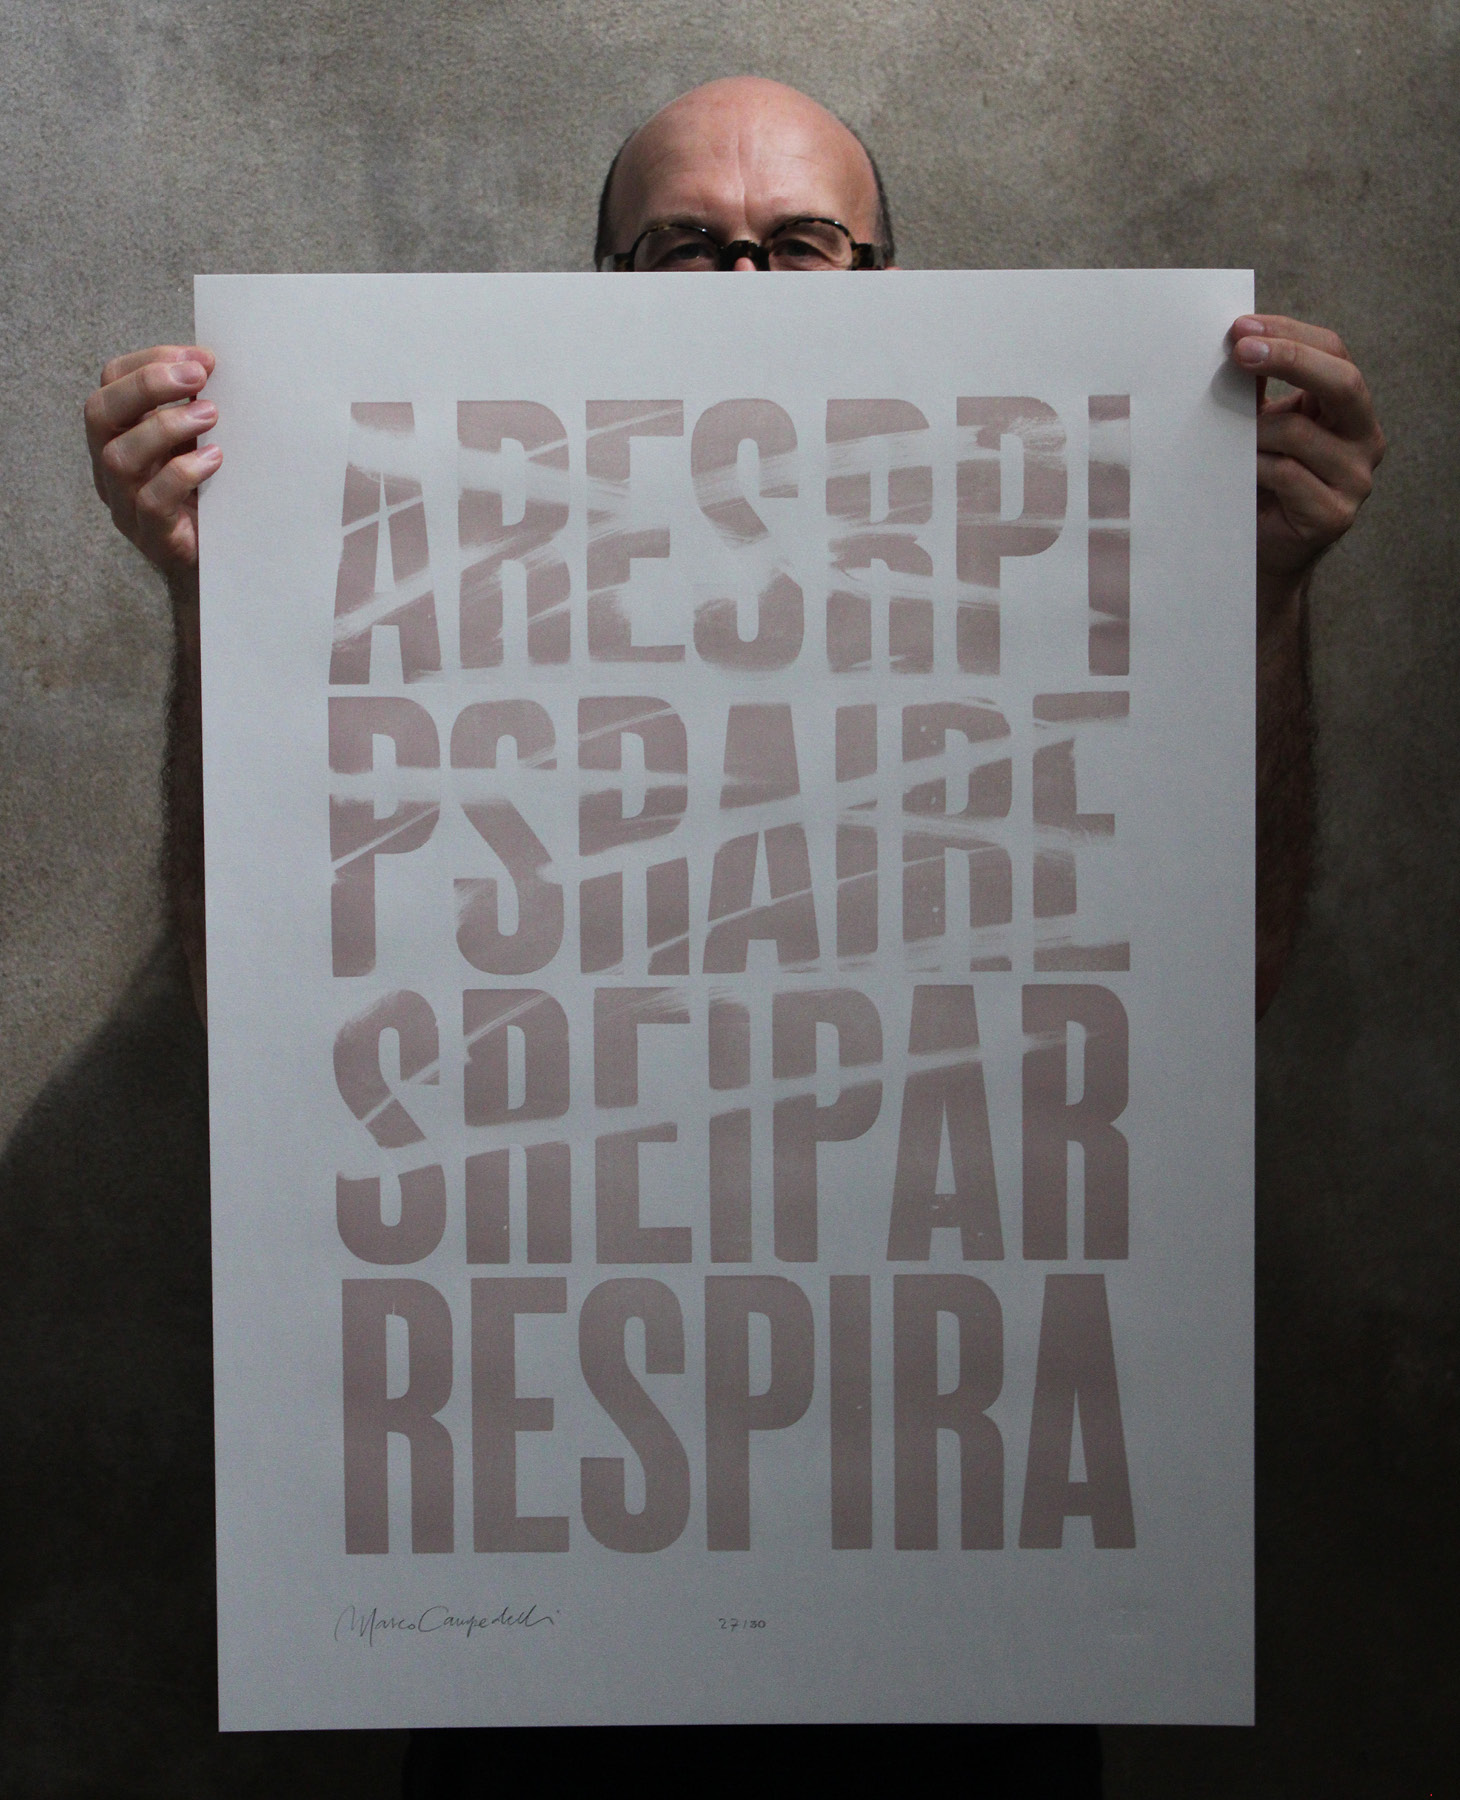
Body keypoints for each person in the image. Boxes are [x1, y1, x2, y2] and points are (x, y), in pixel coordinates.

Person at [80, 75, 1385, 1798]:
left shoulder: (1042, 595)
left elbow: (1216, 1000)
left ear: (887, 280)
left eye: (805, 244)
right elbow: (273, 1029)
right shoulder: (458, 598)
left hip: (953, 1617)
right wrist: (226, 600)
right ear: (604, 290)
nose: (748, 290)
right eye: (687, 247)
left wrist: (1266, 596)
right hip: (539, 1624)